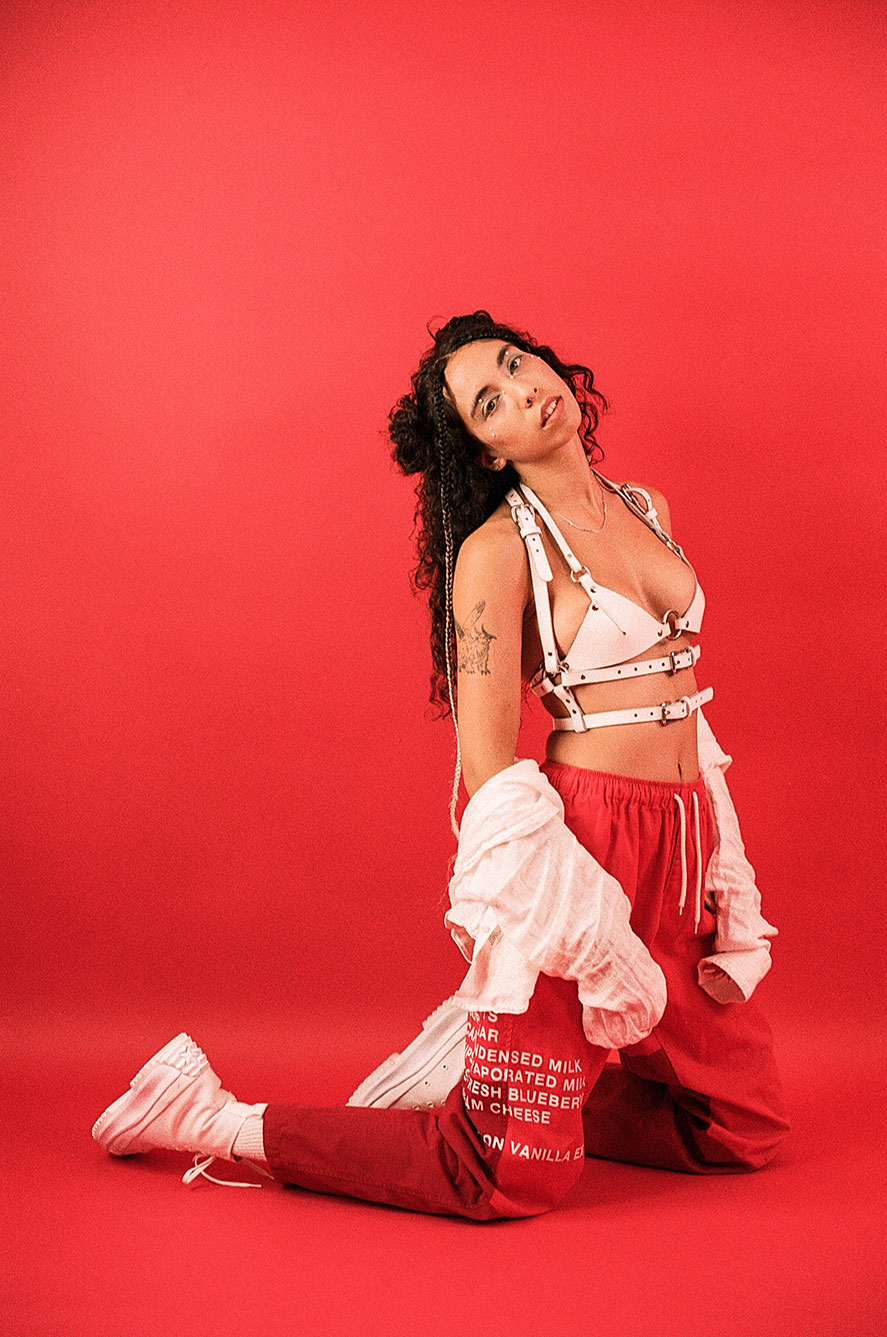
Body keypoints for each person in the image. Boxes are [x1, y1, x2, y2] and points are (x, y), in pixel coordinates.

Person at [92, 311, 789, 1219]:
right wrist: (580, 914)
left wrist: (724, 864)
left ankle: (498, 1082)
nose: (523, 390)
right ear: (486, 450)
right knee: (494, 1176)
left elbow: (686, 703)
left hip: (683, 832)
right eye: (488, 403)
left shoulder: (646, 507)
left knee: (739, 1125)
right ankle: (212, 1117)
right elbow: (487, 770)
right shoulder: (496, 554)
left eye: (514, 362)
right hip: (585, 851)